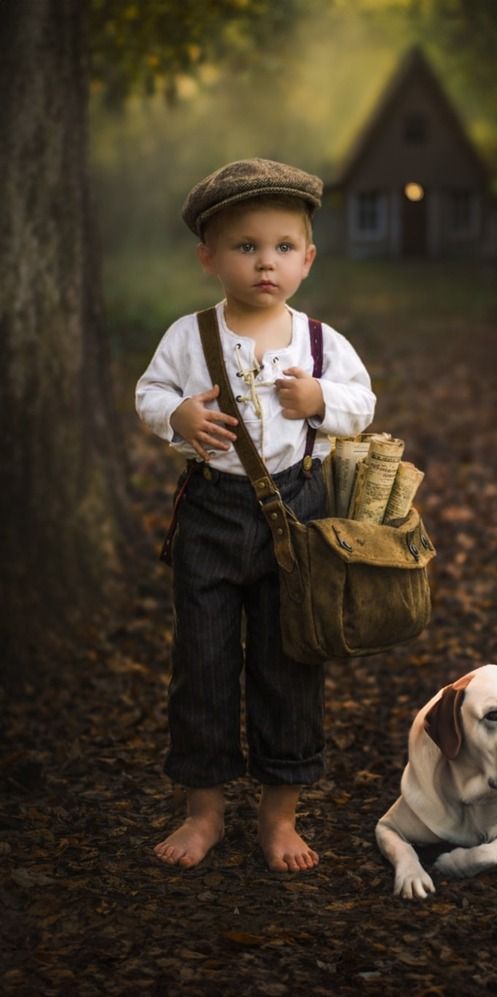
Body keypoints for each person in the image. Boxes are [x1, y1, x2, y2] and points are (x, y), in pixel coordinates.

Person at [135, 158, 376, 873]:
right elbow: (149, 396)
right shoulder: (188, 336)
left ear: (307, 258)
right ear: (209, 257)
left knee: (288, 663)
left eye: (280, 247)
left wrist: (322, 404)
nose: (263, 263)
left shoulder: (322, 344)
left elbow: (364, 404)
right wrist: (177, 414)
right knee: (203, 665)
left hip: (295, 516)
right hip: (210, 514)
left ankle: (279, 815)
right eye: (245, 247)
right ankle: (203, 811)